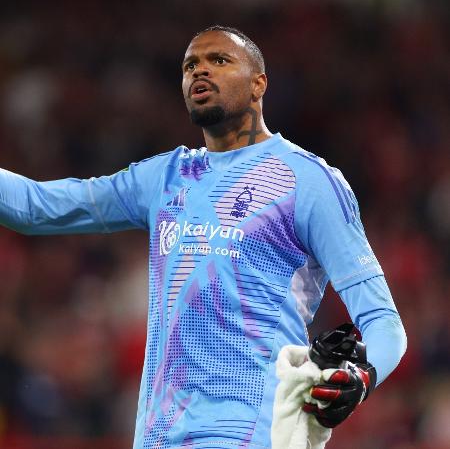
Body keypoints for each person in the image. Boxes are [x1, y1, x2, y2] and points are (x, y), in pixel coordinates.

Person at [0, 26, 406, 449]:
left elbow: (384, 324)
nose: (200, 72)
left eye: (219, 61)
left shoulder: (307, 181)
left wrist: (361, 377)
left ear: (258, 84)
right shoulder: (164, 178)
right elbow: (34, 207)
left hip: (252, 432)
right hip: (159, 437)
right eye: (190, 65)